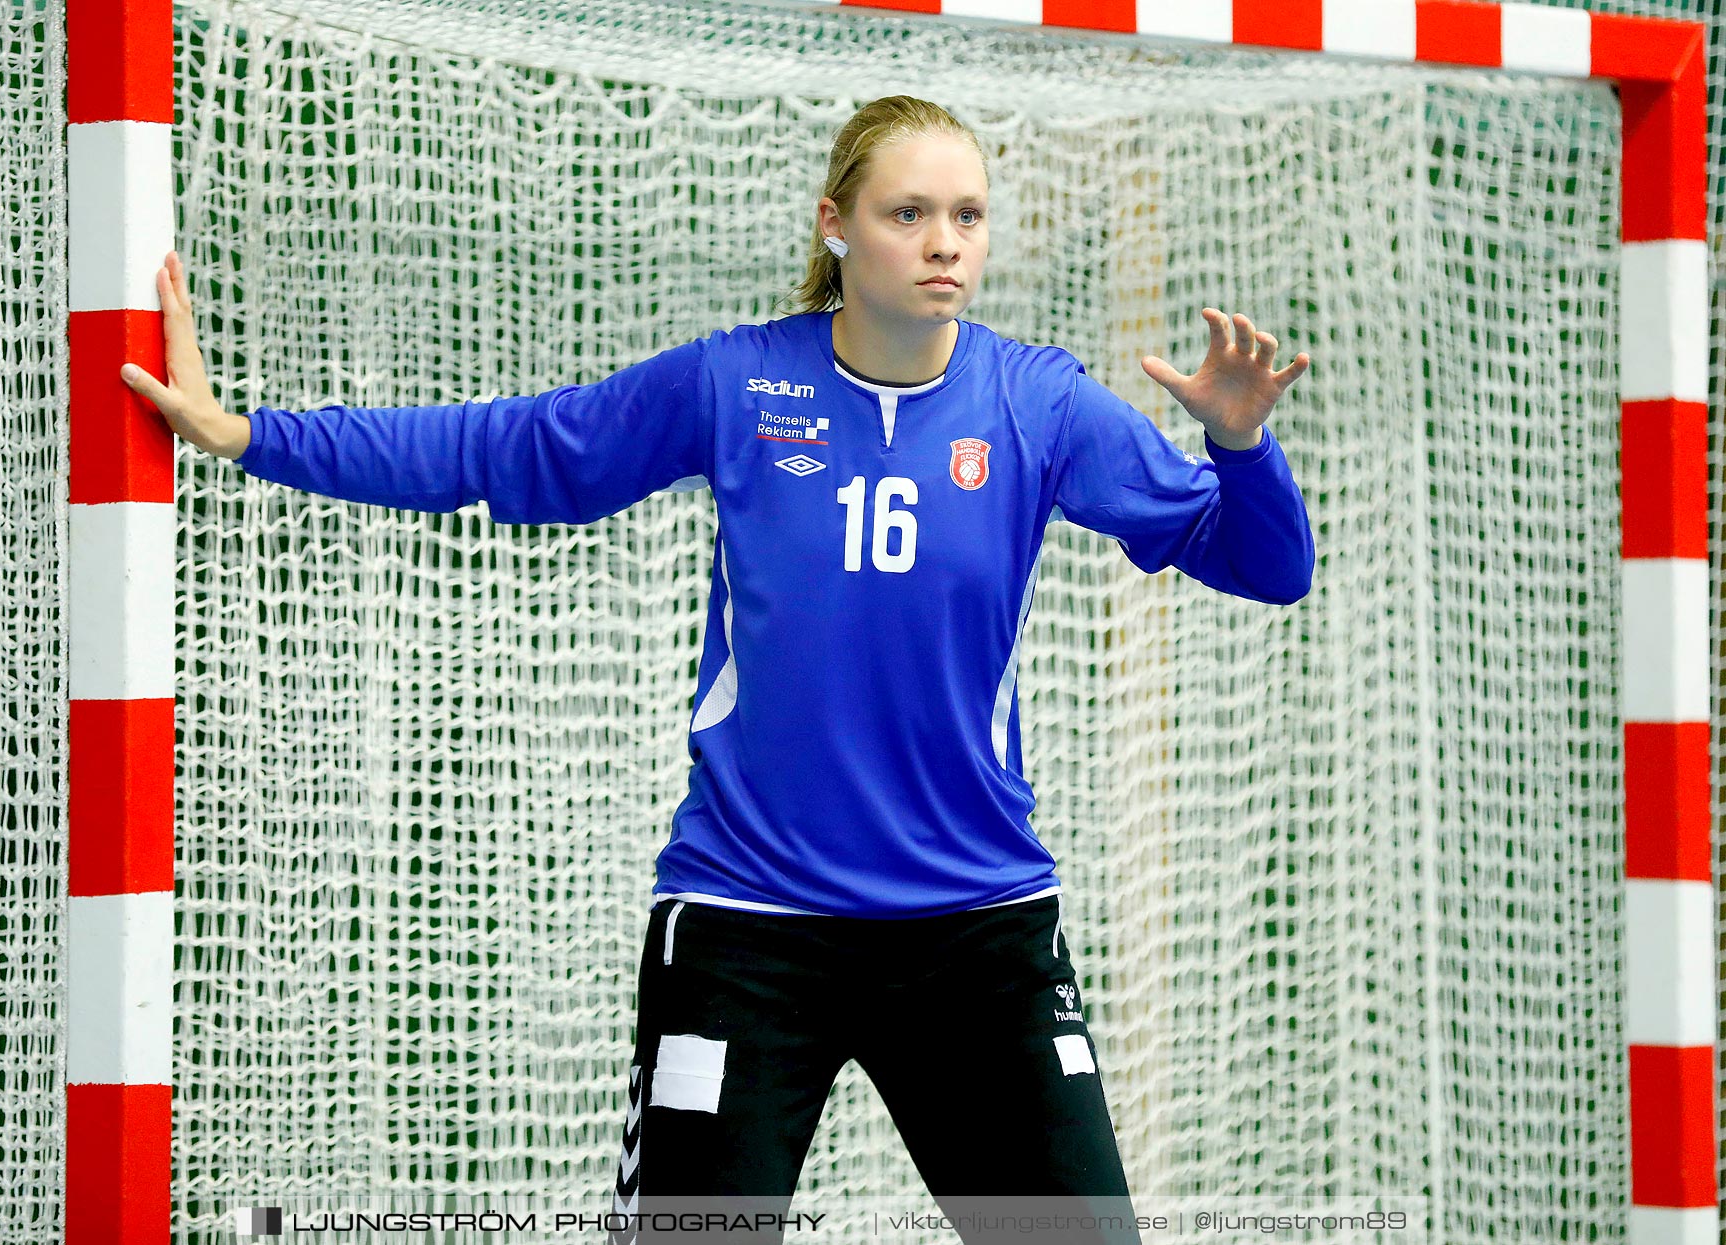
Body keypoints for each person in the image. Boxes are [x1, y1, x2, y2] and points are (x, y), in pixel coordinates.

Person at [123, 95, 1312, 1245]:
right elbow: (515, 448)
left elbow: (1264, 568)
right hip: (750, 929)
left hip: (978, 933)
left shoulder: (1036, 403)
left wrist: (1241, 444)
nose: (945, 242)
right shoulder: (737, 384)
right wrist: (249, 435)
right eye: (908, 214)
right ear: (835, 225)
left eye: (968, 215)